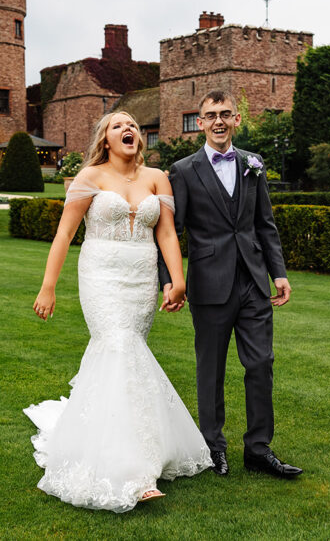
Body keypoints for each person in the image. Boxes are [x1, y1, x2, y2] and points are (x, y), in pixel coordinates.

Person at [24, 111, 211, 512]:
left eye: (132, 125)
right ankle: (133, 471)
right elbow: (65, 233)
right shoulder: (90, 178)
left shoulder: (157, 178)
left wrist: (178, 280)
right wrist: (48, 286)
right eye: (117, 125)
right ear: (105, 139)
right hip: (101, 275)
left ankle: (110, 438)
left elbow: (165, 232)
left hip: (141, 278)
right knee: (119, 346)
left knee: (124, 355)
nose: (128, 129)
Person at [158, 90, 302, 479]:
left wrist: (279, 273)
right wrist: (170, 281)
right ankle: (212, 447)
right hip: (209, 284)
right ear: (200, 124)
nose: (219, 121)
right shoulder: (183, 170)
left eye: (226, 114)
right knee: (211, 369)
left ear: (238, 119)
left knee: (261, 364)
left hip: (254, 283)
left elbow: (264, 224)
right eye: (210, 115)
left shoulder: (254, 163)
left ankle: (258, 448)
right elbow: (172, 230)